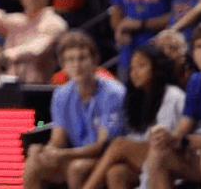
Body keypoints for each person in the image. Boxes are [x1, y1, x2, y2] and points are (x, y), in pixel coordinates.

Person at [23, 31, 126, 189]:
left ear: (95, 60)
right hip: (77, 155)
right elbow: (59, 140)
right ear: (63, 65)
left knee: (76, 168)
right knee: (33, 163)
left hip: (109, 158)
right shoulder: (61, 94)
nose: (76, 65)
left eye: (82, 58)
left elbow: (102, 146)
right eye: (70, 60)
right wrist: (46, 151)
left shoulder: (113, 92)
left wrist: (62, 154)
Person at [81, 43, 185, 189]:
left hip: (177, 156)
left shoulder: (173, 95)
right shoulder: (138, 98)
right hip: (149, 155)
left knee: (119, 144)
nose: (135, 72)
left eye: (141, 66)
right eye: (132, 68)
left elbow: (164, 142)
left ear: (157, 68)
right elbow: (139, 138)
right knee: (115, 173)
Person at [144, 21, 201, 189]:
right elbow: (184, 125)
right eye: (199, 47)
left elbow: (188, 141)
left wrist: (186, 141)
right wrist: (167, 137)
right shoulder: (197, 81)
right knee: (159, 153)